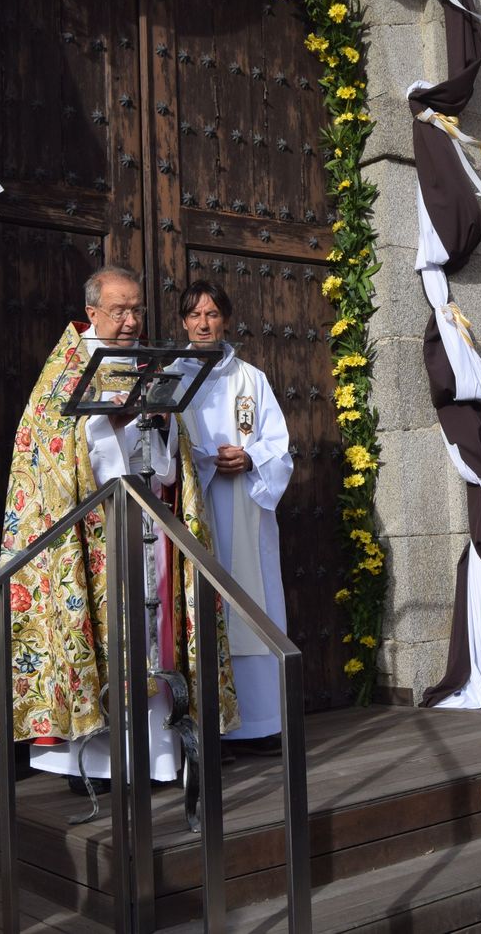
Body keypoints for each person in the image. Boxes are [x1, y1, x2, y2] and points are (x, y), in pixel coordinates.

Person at [0, 266, 238, 784]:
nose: (130, 320)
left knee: (149, 637)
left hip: (146, 533)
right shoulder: (64, 373)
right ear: (92, 311)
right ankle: (93, 765)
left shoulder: (150, 364)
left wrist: (161, 427)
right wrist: (107, 423)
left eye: (137, 309)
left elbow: (170, 468)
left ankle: (158, 758)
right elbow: (50, 458)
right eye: (119, 310)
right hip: (91, 535)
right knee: (102, 637)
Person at [174, 281, 294, 755]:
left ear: (226, 319)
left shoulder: (252, 379)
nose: (204, 324)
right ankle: (204, 725)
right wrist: (205, 460)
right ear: (184, 322)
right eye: (195, 316)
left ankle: (261, 722)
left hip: (246, 506)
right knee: (199, 604)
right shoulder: (173, 375)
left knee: (251, 603)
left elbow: (278, 443)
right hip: (195, 503)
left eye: (212, 314)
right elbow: (164, 444)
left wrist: (248, 458)